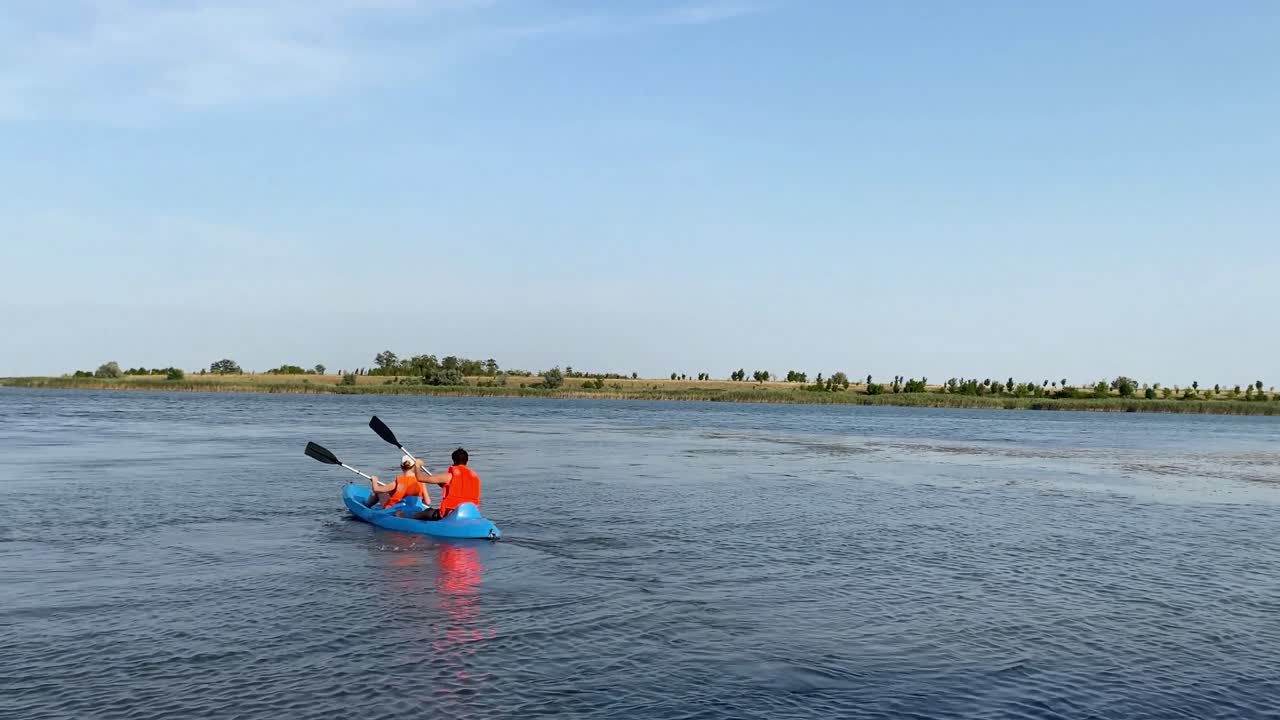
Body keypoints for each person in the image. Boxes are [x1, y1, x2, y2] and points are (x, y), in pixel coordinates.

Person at [406, 447, 481, 521]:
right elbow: (459, 491)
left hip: (451, 514)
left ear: (454, 461)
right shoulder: (475, 477)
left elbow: (420, 478)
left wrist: (417, 465)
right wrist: (443, 485)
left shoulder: (449, 476)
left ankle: (404, 517)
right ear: (467, 461)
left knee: (427, 512)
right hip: (470, 513)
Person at [364, 455, 431, 510]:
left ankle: (365, 506)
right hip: (414, 509)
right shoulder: (422, 481)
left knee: (379, 492)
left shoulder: (397, 483)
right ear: (414, 467)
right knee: (390, 491)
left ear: (401, 467)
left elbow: (376, 489)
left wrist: (374, 481)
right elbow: (428, 502)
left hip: (395, 510)